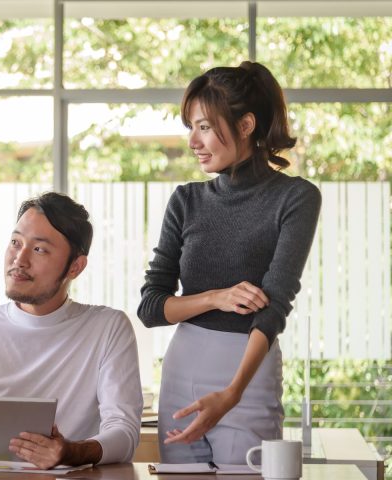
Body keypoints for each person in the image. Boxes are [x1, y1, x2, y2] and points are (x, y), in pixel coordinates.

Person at [137, 61, 321, 465]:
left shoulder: (296, 198)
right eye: (191, 127)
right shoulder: (186, 200)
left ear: (246, 125)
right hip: (182, 372)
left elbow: (275, 305)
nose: (192, 141)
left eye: (204, 126)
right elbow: (151, 307)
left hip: (246, 379)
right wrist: (215, 298)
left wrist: (233, 392)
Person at [0, 192, 143, 469]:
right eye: (15, 243)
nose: (19, 259)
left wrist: (71, 452)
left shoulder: (107, 328)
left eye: (39, 249)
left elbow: (125, 433)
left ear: (75, 267)